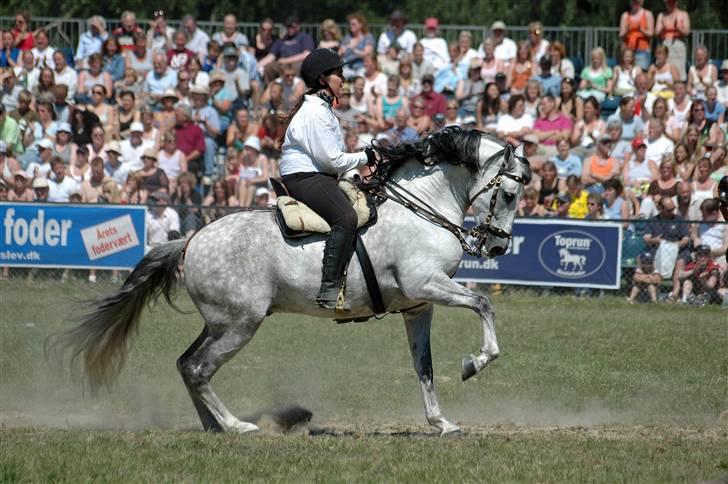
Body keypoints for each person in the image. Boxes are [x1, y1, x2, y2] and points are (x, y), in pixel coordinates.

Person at [278, 49, 376, 310]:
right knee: (346, 217)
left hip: (315, 175)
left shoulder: (322, 109)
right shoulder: (316, 113)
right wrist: (365, 157)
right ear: (323, 79)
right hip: (306, 176)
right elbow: (332, 161)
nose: (343, 80)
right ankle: (329, 289)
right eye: (339, 75)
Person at [656, 0, 690, 81]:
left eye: (672, 2)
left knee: (679, 69)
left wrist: (678, 28)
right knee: (664, 67)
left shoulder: (683, 14)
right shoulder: (661, 15)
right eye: (668, 2)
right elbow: (656, 32)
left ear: (676, 2)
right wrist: (663, 28)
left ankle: (679, 87)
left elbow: (687, 32)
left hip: (678, 44)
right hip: (664, 44)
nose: (670, 4)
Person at [619, 0, 655, 71]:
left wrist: (642, 30)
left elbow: (651, 34)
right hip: (628, 51)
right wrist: (627, 30)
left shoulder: (648, 14)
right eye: (633, 1)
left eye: (637, 2)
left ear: (642, 2)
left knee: (642, 72)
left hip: (643, 50)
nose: (635, 3)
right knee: (627, 72)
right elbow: (621, 35)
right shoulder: (625, 15)